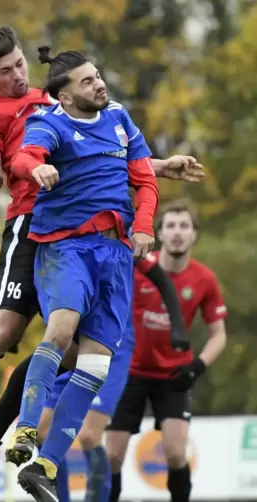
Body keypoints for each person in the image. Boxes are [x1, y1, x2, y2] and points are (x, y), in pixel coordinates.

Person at [0, 24, 205, 482]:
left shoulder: (56, 97)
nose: (17, 75)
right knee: (1, 333)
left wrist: (160, 167)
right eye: (4, 70)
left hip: (86, 237)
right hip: (33, 226)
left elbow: (101, 157)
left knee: (70, 353)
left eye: (19, 64)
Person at [3, 46, 161, 502]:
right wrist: (38, 167)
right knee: (62, 327)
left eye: (97, 76)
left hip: (114, 254)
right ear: (65, 98)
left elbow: (145, 180)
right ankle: (27, 431)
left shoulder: (119, 118)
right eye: (87, 81)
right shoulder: (49, 123)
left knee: (95, 363)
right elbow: (23, 158)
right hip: (65, 248)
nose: (98, 84)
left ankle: (45, 467)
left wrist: (144, 225)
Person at [0, 255, 188, 497]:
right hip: (73, 339)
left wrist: (178, 327)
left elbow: (159, 277)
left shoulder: (122, 228)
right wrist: (17, 328)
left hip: (110, 346)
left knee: (90, 435)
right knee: (42, 430)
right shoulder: (70, 231)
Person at [106, 199, 227, 502]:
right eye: (170, 225)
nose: (177, 232)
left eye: (184, 225)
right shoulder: (138, 269)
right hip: (129, 372)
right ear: (159, 232)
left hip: (174, 375)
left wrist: (196, 367)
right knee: (111, 457)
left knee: (175, 453)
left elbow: (218, 336)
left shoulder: (204, 279)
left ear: (194, 234)